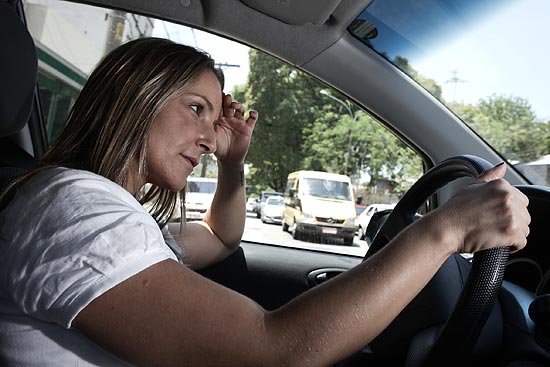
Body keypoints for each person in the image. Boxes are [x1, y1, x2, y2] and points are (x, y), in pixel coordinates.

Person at [0, 37, 530, 366]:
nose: (209, 138)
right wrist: (442, 232)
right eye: (195, 108)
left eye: (214, 118)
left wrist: (233, 164)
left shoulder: (112, 213)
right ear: (134, 93)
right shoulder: (73, 211)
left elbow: (221, 236)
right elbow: (271, 351)